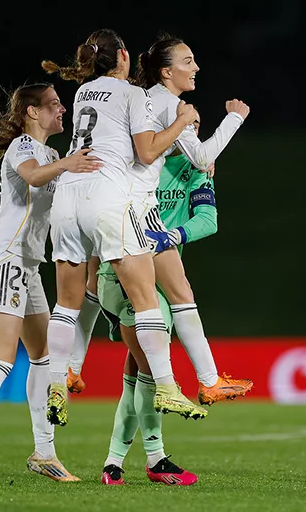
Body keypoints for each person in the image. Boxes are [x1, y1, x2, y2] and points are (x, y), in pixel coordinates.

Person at [68, 34, 253, 407]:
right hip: (135, 210)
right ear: (167, 72)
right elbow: (201, 158)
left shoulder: (131, 94)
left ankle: (71, 368)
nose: (196, 67)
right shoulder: (169, 105)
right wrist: (234, 119)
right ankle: (202, 382)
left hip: (97, 196)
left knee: (92, 285)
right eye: (188, 61)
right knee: (174, 299)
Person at [40, 29, 206, 426]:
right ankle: (167, 387)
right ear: (125, 56)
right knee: (146, 297)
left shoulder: (82, 94)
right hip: (107, 196)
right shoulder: (133, 94)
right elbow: (147, 150)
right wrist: (182, 120)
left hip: (67, 196)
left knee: (67, 301)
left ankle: (57, 384)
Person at [0, 83, 101, 484]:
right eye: (54, 104)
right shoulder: (24, 148)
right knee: (0, 359)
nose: (63, 109)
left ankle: (44, 452)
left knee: (44, 356)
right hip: (5, 259)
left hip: (28, 265)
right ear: (31, 112)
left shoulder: (51, 154)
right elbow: (32, 177)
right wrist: (67, 166)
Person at [98, 114, 217, 486]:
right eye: (185, 122)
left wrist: (172, 235)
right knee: (150, 370)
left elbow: (209, 220)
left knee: (138, 372)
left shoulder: (197, 172)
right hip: (125, 275)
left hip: (159, 279)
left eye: (197, 124)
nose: (192, 131)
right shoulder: (141, 163)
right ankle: (155, 459)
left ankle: (115, 463)